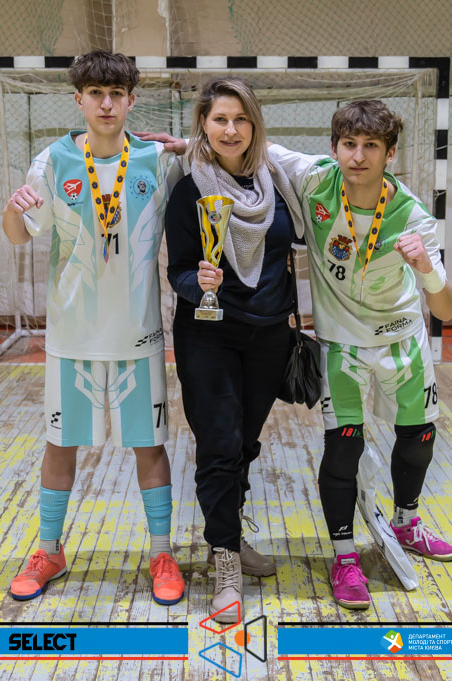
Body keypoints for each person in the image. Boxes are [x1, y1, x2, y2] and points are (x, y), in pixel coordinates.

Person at [1, 50, 185, 606]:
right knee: (61, 446)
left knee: (149, 445)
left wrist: (189, 145)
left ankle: (161, 552)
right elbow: (19, 234)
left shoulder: (157, 161)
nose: (107, 105)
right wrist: (11, 210)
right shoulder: (52, 162)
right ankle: (49, 550)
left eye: (117, 95)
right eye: (96, 94)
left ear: (131, 101)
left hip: (138, 337)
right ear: (78, 99)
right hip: (72, 338)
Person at [268, 100, 452, 610]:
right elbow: (254, 145)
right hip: (342, 345)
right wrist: (185, 145)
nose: (358, 156)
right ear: (334, 148)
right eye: (349, 144)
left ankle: (407, 523)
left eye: (371, 146)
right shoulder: (315, 179)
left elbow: (446, 308)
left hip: (402, 339)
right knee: (343, 448)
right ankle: (345, 556)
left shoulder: (413, 217)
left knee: (419, 438)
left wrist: (426, 269)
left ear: (390, 154)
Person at [164, 77, 306, 622]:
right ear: (203, 123)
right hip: (209, 335)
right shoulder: (189, 189)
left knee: (244, 444)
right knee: (220, 445)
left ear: (254, 125)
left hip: (269, 335)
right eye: (219, 119)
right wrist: (194, 283)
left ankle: (229, 536)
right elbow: (178, 269)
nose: (230, 129)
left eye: (240, 119)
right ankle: (224, 558)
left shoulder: (278, 182)